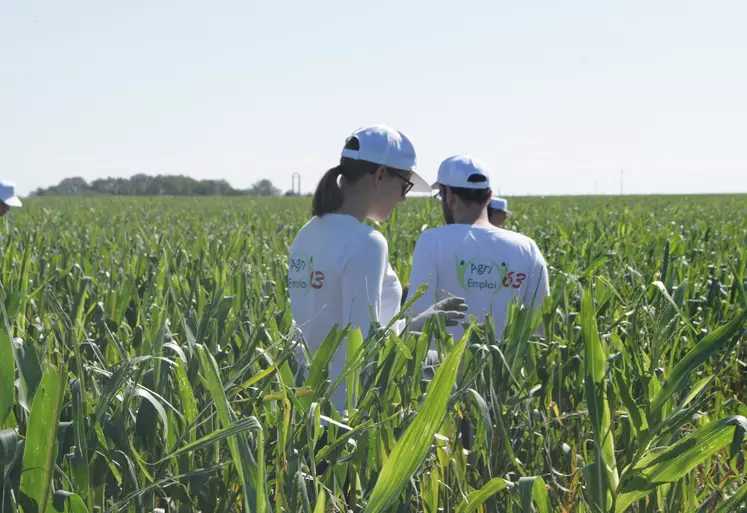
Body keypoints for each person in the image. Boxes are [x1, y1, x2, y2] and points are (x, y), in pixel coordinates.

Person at [287, 125, 468, 414]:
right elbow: (362, 348)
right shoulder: (367, 243)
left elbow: (330, 325)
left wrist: (419, 321)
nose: (402, 198)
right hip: (347, 412)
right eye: (404, 186)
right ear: (381, 176)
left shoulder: (308, 233)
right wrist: (416, 329)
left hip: (302, 404)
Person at [408, 154, 549, 344]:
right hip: (505, 371)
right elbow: (540, 326)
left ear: (448, 194)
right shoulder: (526, 248)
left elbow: (418, 317)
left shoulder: (433, 241)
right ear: (489, 196)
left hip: (438, 370)